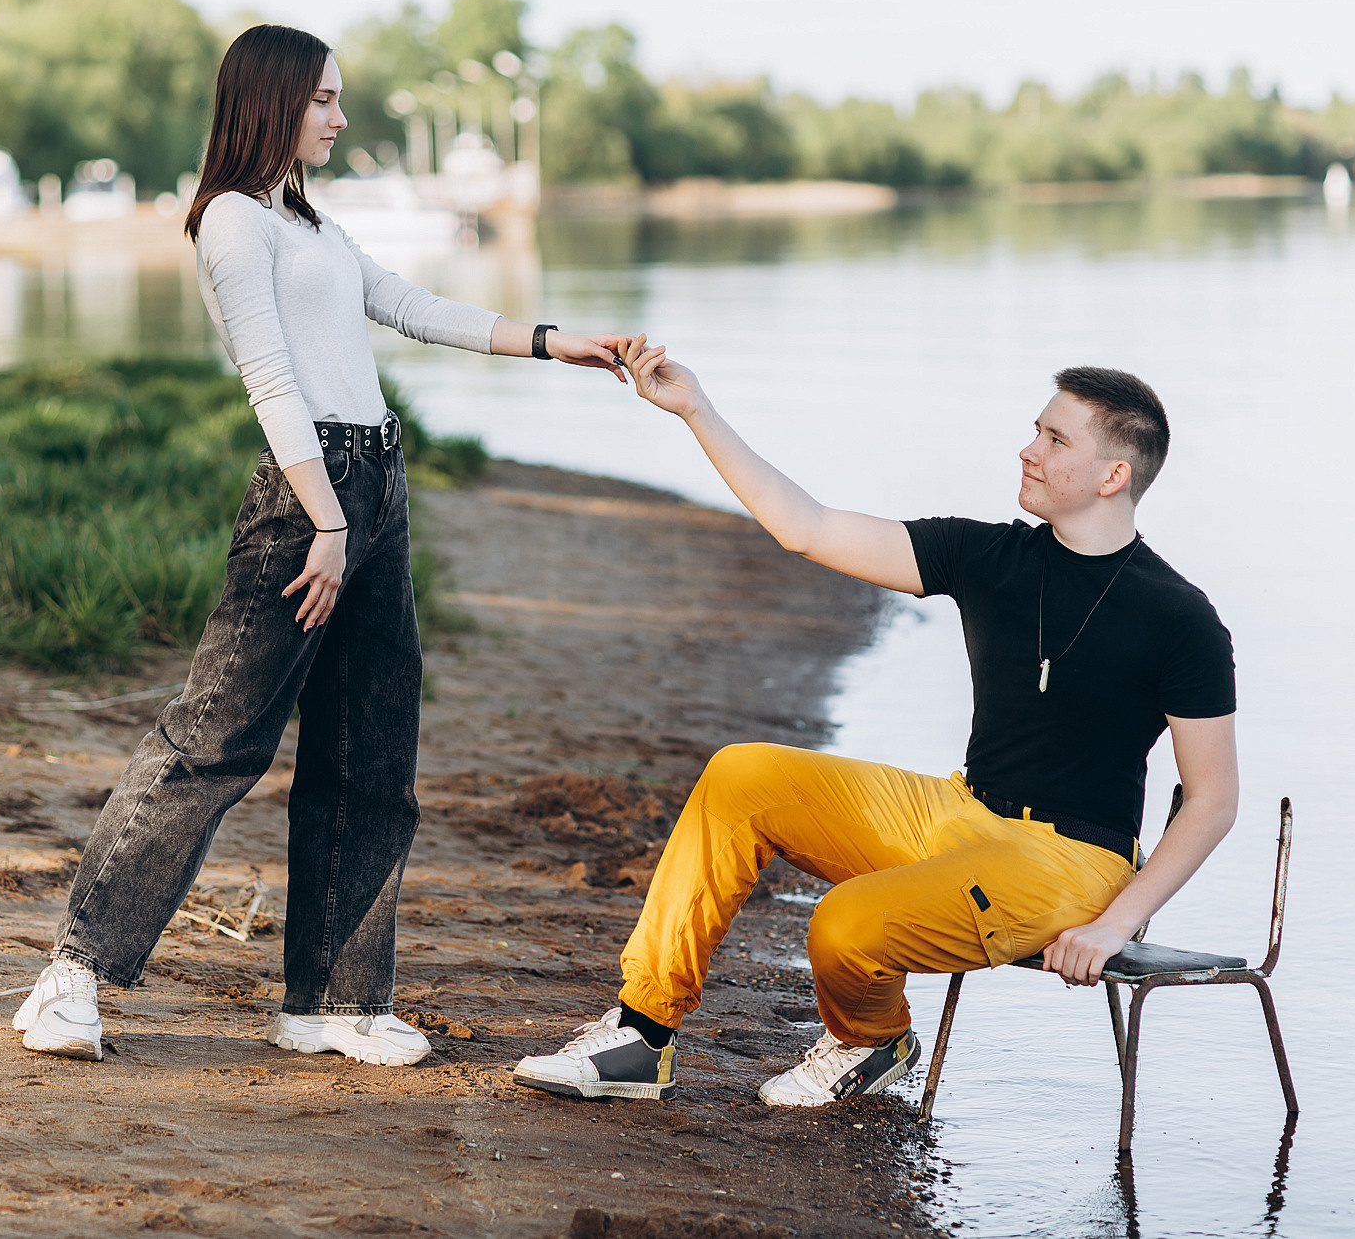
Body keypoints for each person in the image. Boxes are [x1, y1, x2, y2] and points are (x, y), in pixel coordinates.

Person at [13, 24, 633, 1064]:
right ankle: (69, 978)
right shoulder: (230, 223)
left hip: (374, 480)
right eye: (325, 101)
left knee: (370, 749)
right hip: (311, 497)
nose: (340, 119)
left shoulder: (310, 225)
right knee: (213, 739)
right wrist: (329, 521)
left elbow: (407, 306)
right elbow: (271, 382)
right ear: (272, 100)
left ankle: (334, 1003)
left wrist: (548, 340)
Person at [513, 346, 1238, 1106]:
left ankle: (871, 1039)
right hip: (960, 811)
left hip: (1071, 862)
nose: (1028, 449)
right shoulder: (988, 554)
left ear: (1113, 475)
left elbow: (1213, 799)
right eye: (1036, 430)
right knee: (741, 775)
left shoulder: (1180, 619)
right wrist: (698, 410)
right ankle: (640, 1034)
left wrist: (1118, 923)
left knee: (846, 922)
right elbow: (808, 527)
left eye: (1056, 440)